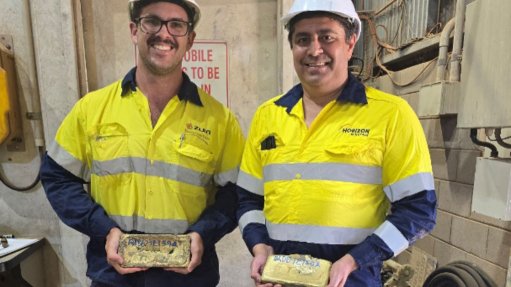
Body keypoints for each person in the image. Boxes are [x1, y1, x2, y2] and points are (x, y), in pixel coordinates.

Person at [40, 0, 244, 286]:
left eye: (176, 24)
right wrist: (104, 230)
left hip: (188, 279)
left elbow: (236, 193)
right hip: (113, 276)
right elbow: (57, 177)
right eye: (152, 21)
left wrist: (203, 234)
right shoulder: (91, 110)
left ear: (190, 40)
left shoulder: (220, 121)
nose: (164, 33)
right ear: (134, 30)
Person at [236, 0, 437, 286]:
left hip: (352, 280)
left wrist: (356, 260)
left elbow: (419, 210)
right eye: (302, 39)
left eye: (327, 37)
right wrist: (259, 246)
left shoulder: (391, 115)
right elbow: (248, 199)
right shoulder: (268, 116)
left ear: (351, 43)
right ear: (291, 46)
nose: (315, 50)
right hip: (279, 280)